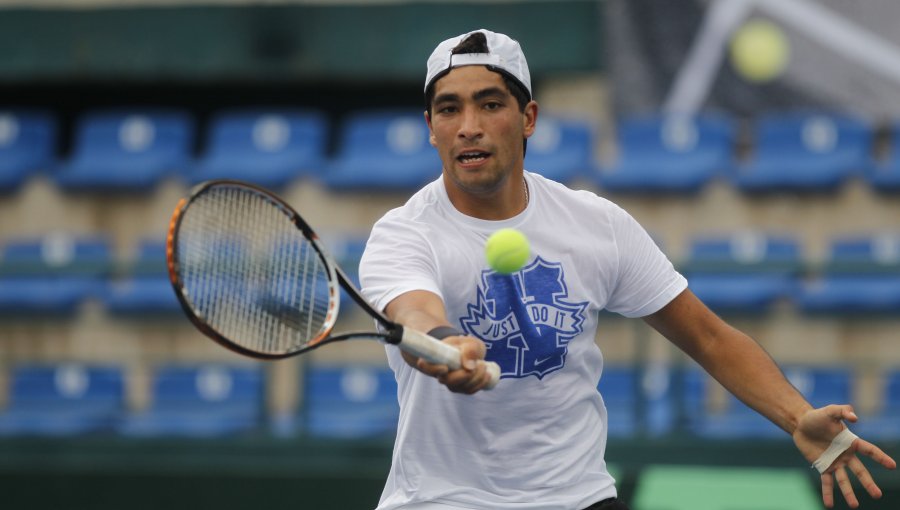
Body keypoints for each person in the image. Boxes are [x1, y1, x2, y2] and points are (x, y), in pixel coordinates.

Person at [358, 28, 896, 510]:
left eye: (490, 104)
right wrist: (447, 345)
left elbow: (708, 337)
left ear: (528, 119)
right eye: (449, 110)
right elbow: (416, 314)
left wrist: (795, 416)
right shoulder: (403, 233)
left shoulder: (596, 223)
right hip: (440, 500)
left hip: (577, 497)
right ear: (431, 127)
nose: (468, 127)